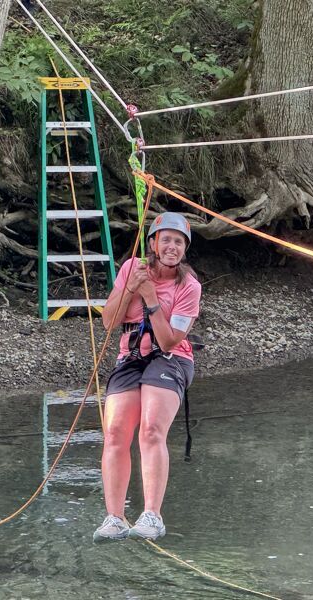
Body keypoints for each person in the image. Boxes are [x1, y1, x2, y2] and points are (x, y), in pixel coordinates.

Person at [93, 212, 201, 542]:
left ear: (184, 249)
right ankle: (114, 518)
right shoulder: (132, 268)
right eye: (166, 240)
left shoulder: (189, 286)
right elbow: (109, 322)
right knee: (115, 432)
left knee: (151, 429)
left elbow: (169, 341)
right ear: (153, 243)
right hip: (131, 356)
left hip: (171, 358)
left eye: (178, 242)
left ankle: (152, 515)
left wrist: (151, 297)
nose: (172, 247)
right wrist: (131, 287)